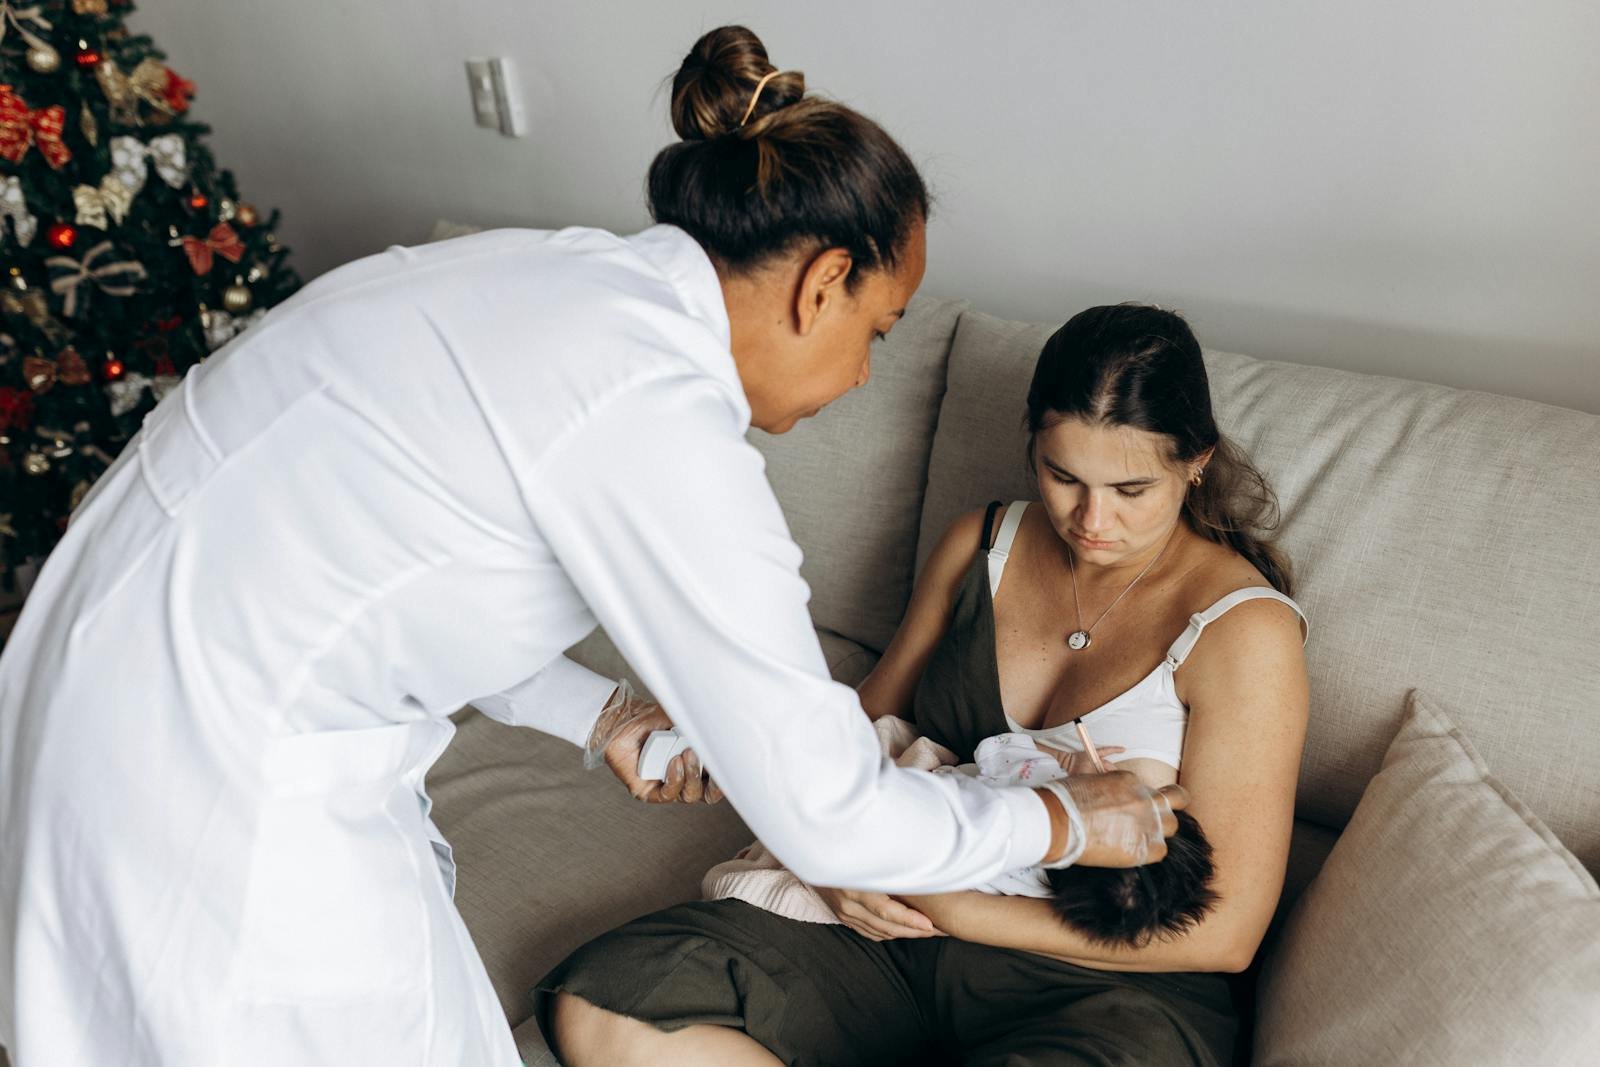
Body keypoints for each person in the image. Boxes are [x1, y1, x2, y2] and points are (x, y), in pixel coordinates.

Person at [0, 26, 1184, 1067]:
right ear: (823, 283)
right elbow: (829, 812)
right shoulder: (654, 415)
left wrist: (599, 714)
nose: (864, 372)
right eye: (875, 329)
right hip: (215, 788)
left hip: (92, 681)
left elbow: (393, 567)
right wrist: (1072, 820)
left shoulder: (544, 278)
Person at [538, 304, 1311, 1066]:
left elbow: (1226, 934)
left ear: (1196, 459)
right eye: (1063, 474)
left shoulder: (1243, 631)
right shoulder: (982, 543)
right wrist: (832, 859)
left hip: (1096, 981)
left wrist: (949, 904)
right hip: (890, 938)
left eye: (1131, 490)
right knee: (607, 1004)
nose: (1090, 519)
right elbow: (858, 727)